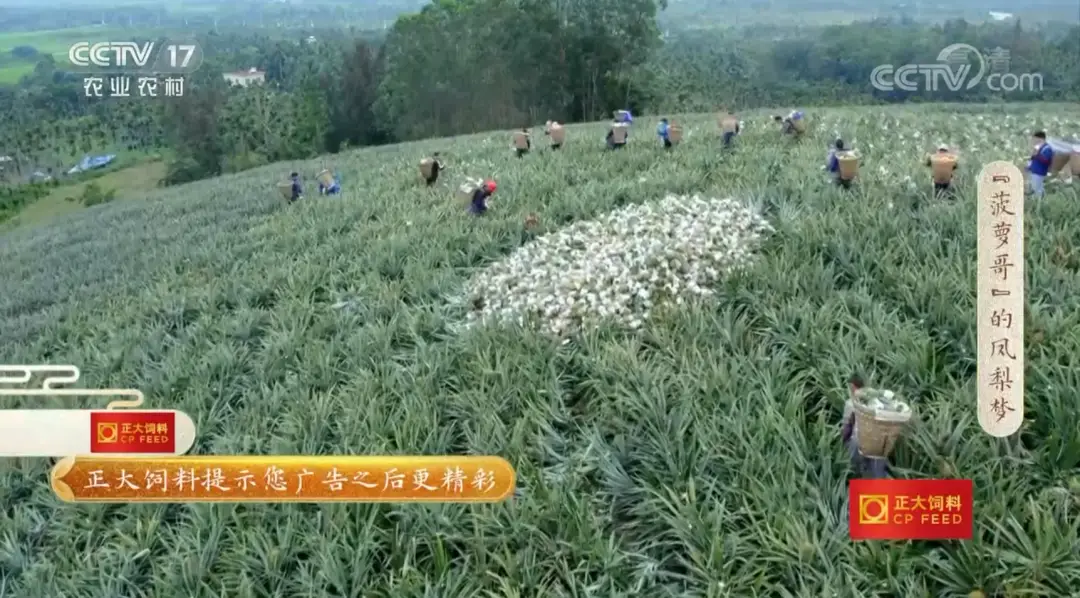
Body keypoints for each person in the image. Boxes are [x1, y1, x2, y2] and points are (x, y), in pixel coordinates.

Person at [841, 375, 889, 479]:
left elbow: (847, 428)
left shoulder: (851, 403)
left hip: (861, 442)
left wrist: (842, 443)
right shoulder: (879, 399)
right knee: (879, 475)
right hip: (880, 443)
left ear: (853, 387)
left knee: (855, 469)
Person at [1027, 131, 1053, 198]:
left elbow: (1046, 160)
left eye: (1035, 139)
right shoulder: (1038, 147)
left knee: (1037, 188)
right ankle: (1039, 199)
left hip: (1040, 171)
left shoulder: (1047, 148)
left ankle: (1039, 201)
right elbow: (1033, 158)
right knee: (1036, 186)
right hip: (1035, 170)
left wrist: (1036, 155)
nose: (1034, 141)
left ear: (1041, 139)